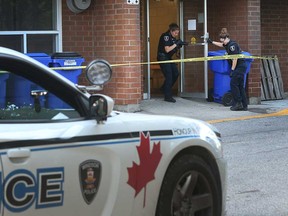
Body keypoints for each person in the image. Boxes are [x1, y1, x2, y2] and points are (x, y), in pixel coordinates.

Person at [207, 28, 248, 111]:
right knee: (240, 86)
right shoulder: (228, 44)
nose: (222, 43)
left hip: (239, 67)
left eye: (222, 41)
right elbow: (221, 45)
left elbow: (235, 59)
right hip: (241, 67)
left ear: (226, 39)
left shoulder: (232, 46)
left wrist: (232, 70)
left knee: (233, 84)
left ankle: (238, 103)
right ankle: (244, 105)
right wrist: (212, 42)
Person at [157, 23, 186, 103]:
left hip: (168, 58)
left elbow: (173, 49)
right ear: (171, 31)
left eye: (177, 33)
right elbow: (167, 49)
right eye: (175, 33)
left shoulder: (173, 38)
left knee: (176, 73)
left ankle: (164, 88)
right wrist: (176, 44)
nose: (176, 34)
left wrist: (179, 46)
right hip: (162, 58)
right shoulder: (166, 36)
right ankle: (168, 96)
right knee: (169, 76)